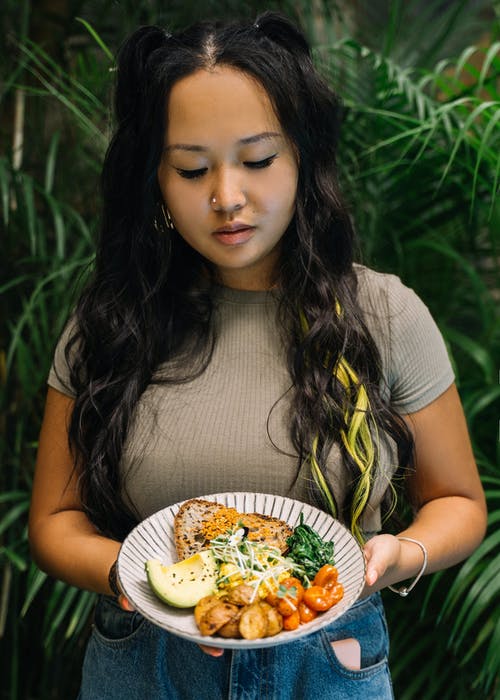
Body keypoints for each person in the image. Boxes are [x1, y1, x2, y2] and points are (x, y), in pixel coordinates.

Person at [28, 11, 486, 700]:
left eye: (258, 159)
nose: (226, 197)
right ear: (154, 177)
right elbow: (53, 523)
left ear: (303, 156)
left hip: (329, 665)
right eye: (191, 168)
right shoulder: (109, 323)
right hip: (145, 670)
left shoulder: (386, 314)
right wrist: (132, 573)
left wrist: (396, 556)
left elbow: (458, 502)